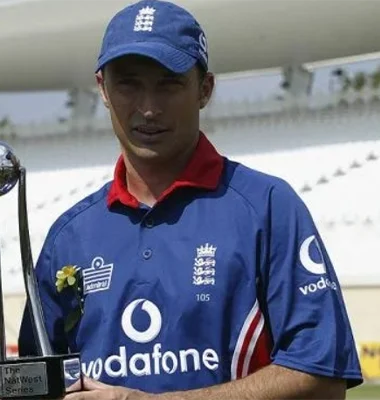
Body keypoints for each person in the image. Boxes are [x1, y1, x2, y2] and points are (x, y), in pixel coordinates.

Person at [18, 1, 363, 399]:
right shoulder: (69, 236)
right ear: (103, 89)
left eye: (169, 83)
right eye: (128, 83)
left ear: (205, 89)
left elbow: (322, 379)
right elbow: (34, 385)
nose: (148, 108)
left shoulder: (268, 207)